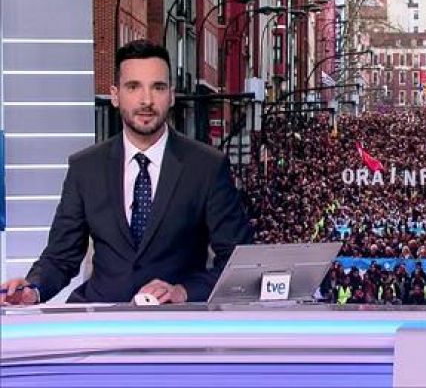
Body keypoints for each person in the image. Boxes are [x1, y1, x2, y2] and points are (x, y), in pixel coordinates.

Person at [0, 40, 252, 305]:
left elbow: (239, 262)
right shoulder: (85, 168)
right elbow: (61, 256)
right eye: (133, 87)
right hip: (99, 320)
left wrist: (183, 292)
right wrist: (32, 288)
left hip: (177, 326)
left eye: (158, 87)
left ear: (172, 95)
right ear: (115, 95)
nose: (146, 100)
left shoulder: (206, 167)